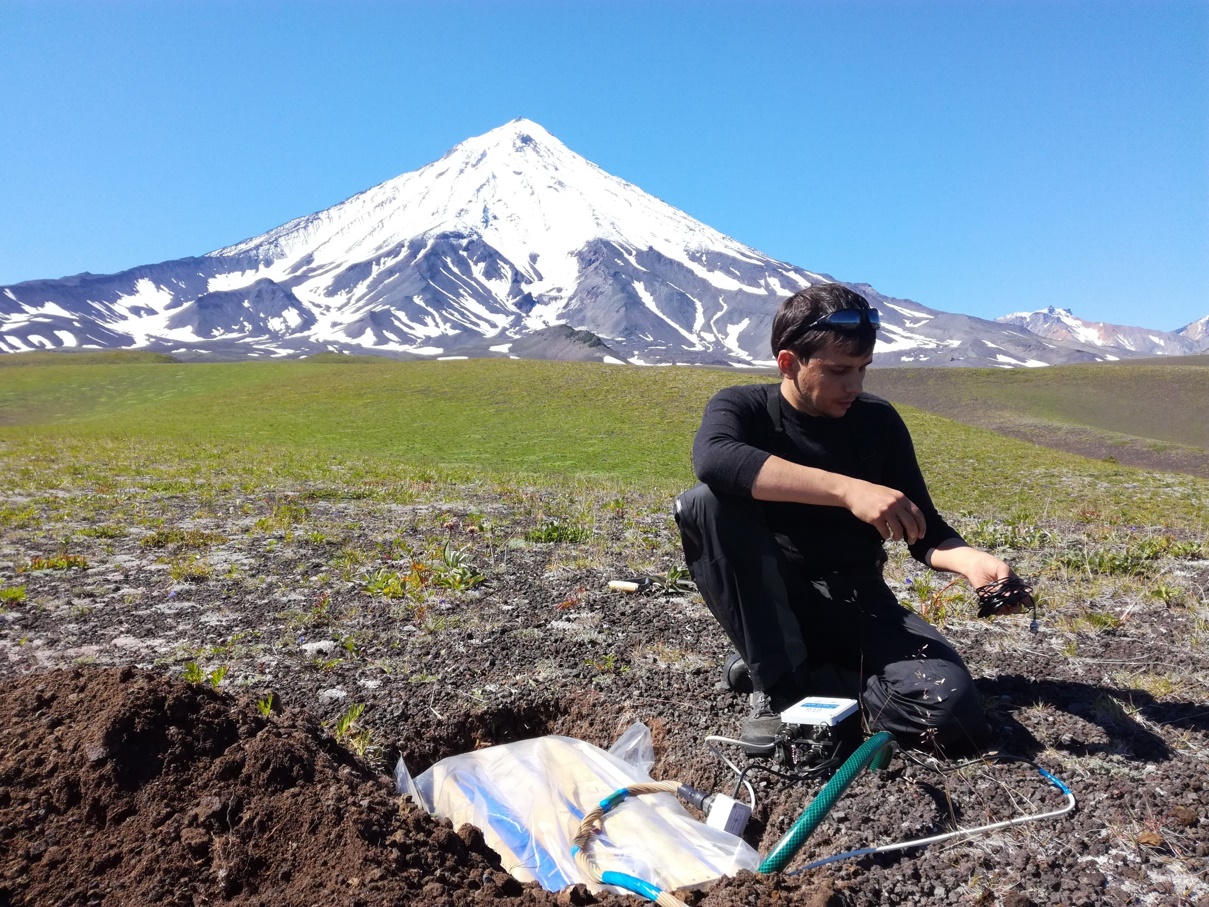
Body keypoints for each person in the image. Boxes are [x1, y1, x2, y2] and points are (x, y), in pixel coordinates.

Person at [675, 284, 1028, 756]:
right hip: (772, 599)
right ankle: (779, 687)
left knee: (950, 710)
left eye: (863, 369)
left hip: (859, 600)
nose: (855, 386)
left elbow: (926, 530)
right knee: (704, 503)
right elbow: (715, 461)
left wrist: (971, 563)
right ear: (788, 363)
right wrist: (847, 489)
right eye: (839, 370)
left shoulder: (877, 422)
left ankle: (809, 674)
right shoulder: (743, 407)